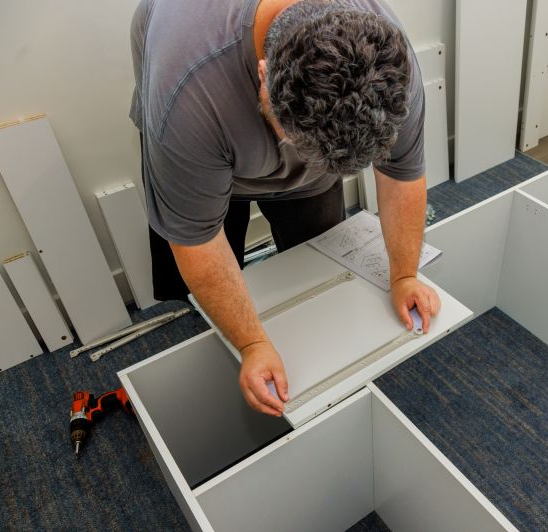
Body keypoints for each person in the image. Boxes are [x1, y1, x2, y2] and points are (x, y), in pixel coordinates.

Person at [129, 0, 441, 417]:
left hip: (262, 115)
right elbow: (197, 243)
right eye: (298, 145)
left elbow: (402, 175)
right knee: (204, 286)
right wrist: (251, 343)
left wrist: (404, 274)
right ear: (264, 75)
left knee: (320, 251)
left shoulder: (389, 65)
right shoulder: (186, 97)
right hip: (203, 123)